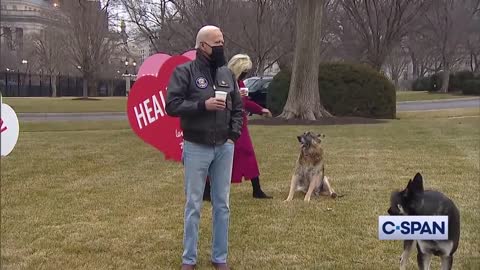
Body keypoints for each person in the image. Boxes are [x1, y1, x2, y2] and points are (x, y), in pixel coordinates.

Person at [166, 25, 243, 270]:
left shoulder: (227, 73)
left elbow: (238, 107)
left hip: (224, 146)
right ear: (202, 46)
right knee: (194, 204)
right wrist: (203, 105)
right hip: (196, 145)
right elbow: (172, 105)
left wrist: (233, 135)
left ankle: (219, 257)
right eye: (216, 43)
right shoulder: (185, 72)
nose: (221, 46)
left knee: (222, 204)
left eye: (222, 41)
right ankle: (189, 259)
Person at [203, 54, 272, 200]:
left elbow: (245, 103)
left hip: (241, 124)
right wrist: (236, 97)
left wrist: (260, 109)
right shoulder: (222, 81)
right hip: (226, 123)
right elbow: (220, 102)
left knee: (248, 154)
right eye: (245, 71)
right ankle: (206, 190)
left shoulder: (240, 83)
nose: (246, 74)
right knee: (219, 157)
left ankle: (257, 189)